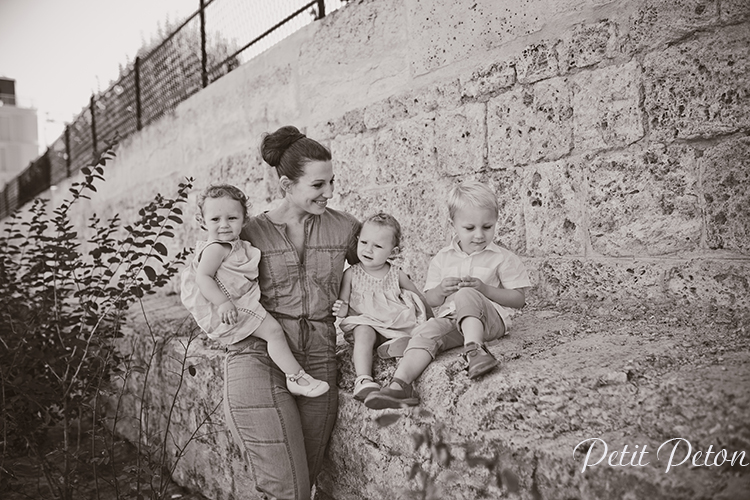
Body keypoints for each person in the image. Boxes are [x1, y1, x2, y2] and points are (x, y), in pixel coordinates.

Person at [224, 126, 360, 500]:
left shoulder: (346, 227)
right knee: (287, 489)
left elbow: (378, 270)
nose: (329, 192)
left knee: (307, 481)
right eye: (318, 185)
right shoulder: (249, 232)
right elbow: (208, 278)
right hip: (258, 356)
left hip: (318, 359)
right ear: (286, 185)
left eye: (332, 181)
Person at [364, 180, 531, 410]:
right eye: (470, 228)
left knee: (466, 294)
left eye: (487, 227)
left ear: (496, 223)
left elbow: (519, 299)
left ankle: (475, 350)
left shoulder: (501, 258)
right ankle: (400, 384)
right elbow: (428, 302)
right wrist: (441, 291)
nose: (480, 235)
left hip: (490, 321)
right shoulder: (443, 258)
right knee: (431, 329)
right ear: (453, 225)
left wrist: (484, 289)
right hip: (454, 321)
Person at [180, 184, 329, 398]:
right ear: (202, 222)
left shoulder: (234, 244)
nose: (224, 225)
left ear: (244, 219)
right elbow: (203, 278)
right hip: (232, 305)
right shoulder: (215, 248)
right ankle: (297, 377)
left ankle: (295, 375)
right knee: (274, 332)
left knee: (273, 332)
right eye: (215, 219)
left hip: (238, 301)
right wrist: (223, 302)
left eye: (232, 218)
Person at [332, 212, 431, 402]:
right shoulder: (351, 273)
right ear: (357, 241)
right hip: (366, 321)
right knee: (363, 331)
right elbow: (344, 302)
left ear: (392, 252)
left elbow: (418, 297)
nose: (368, 250)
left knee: (406, 327)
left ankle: (394, 345)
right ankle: (363, 379)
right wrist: (341, 309)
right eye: (364, 243)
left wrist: (430, 320)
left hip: (392, 323)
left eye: (377, 246)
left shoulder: (396, 274)